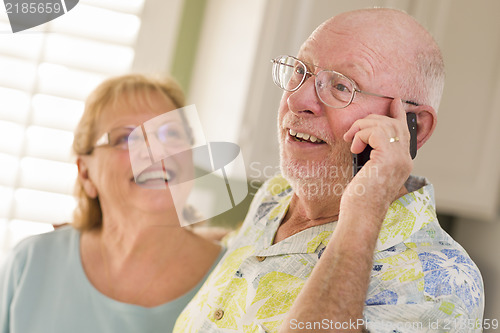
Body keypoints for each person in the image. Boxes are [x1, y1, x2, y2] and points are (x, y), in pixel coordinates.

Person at [174, 8, 484, 332]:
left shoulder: (442, 283)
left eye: (341, 86)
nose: (297, 100)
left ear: (413, 127)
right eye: (300, 70)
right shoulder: (278, 193)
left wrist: (364, 209)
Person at [0, 74, 225, 333]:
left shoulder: (236, 275)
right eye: (124, 138)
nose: (156, 151)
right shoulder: (29, 264)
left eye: (170, 133)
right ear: (85, 174)